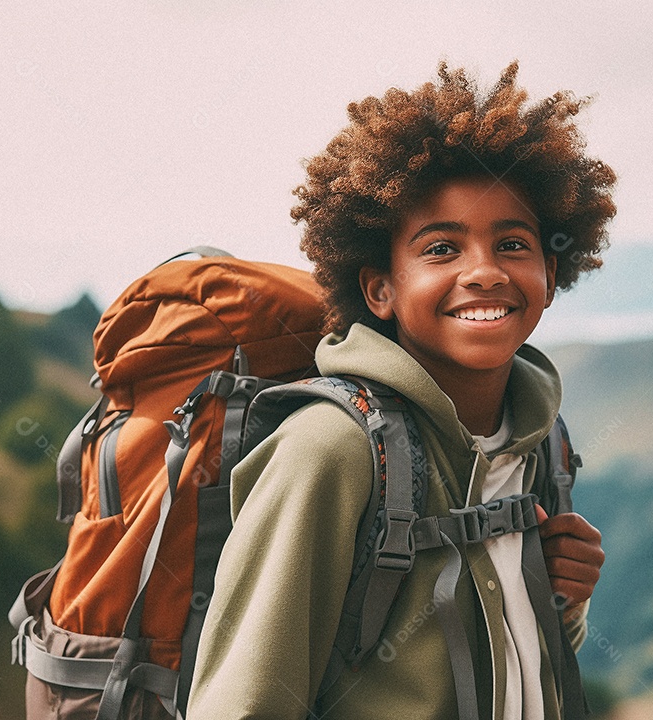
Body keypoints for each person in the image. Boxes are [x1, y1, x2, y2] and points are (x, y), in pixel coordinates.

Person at [187, 61, 615, 720]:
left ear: (549, 274)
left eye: (512, 243)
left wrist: (565, 602)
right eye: (442, 249)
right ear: (380, 289)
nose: (484, 272)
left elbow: (517, 665)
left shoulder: (538, 440)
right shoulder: (329, 448)